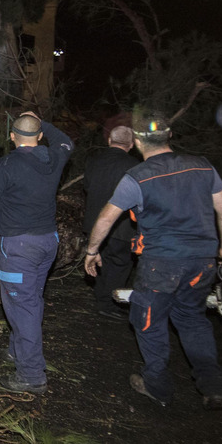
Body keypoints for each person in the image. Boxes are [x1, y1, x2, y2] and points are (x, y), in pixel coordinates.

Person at [84, 114, 222, 411]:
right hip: (202, 262)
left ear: (138, 141)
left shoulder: (138, 176)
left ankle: (157, 386)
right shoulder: (203, 166)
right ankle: (213, 385)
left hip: (161, 263)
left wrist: (92, 250)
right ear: (170, 136)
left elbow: (106, 217)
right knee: (192, 319)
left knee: (149, 321)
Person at [0, 112, 74, 394]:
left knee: (22, 306)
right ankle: (17, 351)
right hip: (48, 243)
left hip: (19, 247)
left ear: (11, 137)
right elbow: (67, 141)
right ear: (40, 136)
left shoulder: (8, 165)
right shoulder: (54, 157)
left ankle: (32, 375)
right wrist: (39, 121)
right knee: (31, 298)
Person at [82, 125, 140, 319]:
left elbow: (87, 186)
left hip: (94, 223)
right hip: (122, 227)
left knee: (99, 259)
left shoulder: (94, 161)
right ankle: (108, 302)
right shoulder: (135, 166)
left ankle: (102, 297)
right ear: (131, 145)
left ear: (109, 141)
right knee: (120, 263)